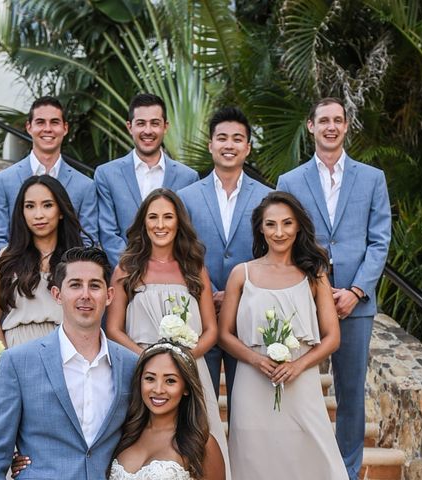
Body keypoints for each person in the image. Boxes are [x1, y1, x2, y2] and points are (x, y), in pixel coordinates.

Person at [277, 97, 391, 479]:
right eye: (323, 120)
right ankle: (301, 467)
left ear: (345, 126)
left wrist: (357, 290)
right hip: (304, 301)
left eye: (337, 120)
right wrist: (315, 290)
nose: (331, 126)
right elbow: (283, 241)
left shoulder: (372, 178)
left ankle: (347, 470)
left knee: (351, 393)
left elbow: (379, 241)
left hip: (355, 305)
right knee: (296, 388)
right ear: (310, 126)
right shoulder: (290, 182)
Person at [0, 247, 138, 479]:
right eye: (74, 285)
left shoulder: (131, 365)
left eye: (94, 285)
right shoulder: (18, 362)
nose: (85, 295)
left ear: (109, 295)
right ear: (57, 294)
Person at [218, 191, 348, 479]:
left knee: (312, 456)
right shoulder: (242, 274)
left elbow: (332, 337)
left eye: (287, 224)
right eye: (271, 224)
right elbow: (224, 334)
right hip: (253, 382)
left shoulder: (315, 274)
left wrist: (298, 365)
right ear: (260, 229)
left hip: (301, 382)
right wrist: (255, 359)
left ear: (298, 226)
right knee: (254, 457)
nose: (279, 232)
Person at [106, 188, 231, 479]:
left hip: (187, 369)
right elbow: (113, 328)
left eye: (167, 217)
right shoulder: (127, 268)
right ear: (143, 223)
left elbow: (211, 330)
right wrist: (150, 360)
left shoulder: (194, 268)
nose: (160, 225)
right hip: (141, 370)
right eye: (153, 217)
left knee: (198, 442)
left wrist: (181, 360)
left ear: (179, 223)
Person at [178, 107, 271, 405]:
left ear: (248, 147)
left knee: (247, 403)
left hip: (248, 314)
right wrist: (208, 294)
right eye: (222, 138)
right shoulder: (186, 196)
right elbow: (180, 253)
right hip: (198, 315)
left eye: (237, 139)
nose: (228, 145)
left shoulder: (266, 197)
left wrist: (233, 294)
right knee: (198, 401)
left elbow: (271, 254)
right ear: (210, 145)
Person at [0, 96, 98, 262]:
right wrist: (23, 272)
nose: (47, 129)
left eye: (54, 122)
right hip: (18, 277)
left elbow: (88, 240)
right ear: (29, 127)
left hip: (66, 279)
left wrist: (63, 274)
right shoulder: (3, 181)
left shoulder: (85, 185)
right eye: (40, 122)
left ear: (65, 128)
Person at [95, 93, 199, 267]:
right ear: (130, 127)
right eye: (141, 123)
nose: (148, 131)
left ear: (165, 127)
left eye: (155, 123)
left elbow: (187, 234)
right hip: (124, 275)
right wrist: (134, 269)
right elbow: (108, 234)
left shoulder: (188, 177)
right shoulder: (106, 174)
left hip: (173, 276)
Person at [0, 175, 84, 348]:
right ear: (22, 212)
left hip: (65, 347)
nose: (38, 215)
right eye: (30, 206)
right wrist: (2, 358)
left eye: (47, 205)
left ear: (61, 211)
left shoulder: (78, 258)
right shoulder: (8, 255)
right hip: (16, 347)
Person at [109, 341, 225, 479]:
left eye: (170, 381)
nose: (158, 389)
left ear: (186, 387)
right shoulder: (124, 433)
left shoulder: (201, 443)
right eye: (150, 378)